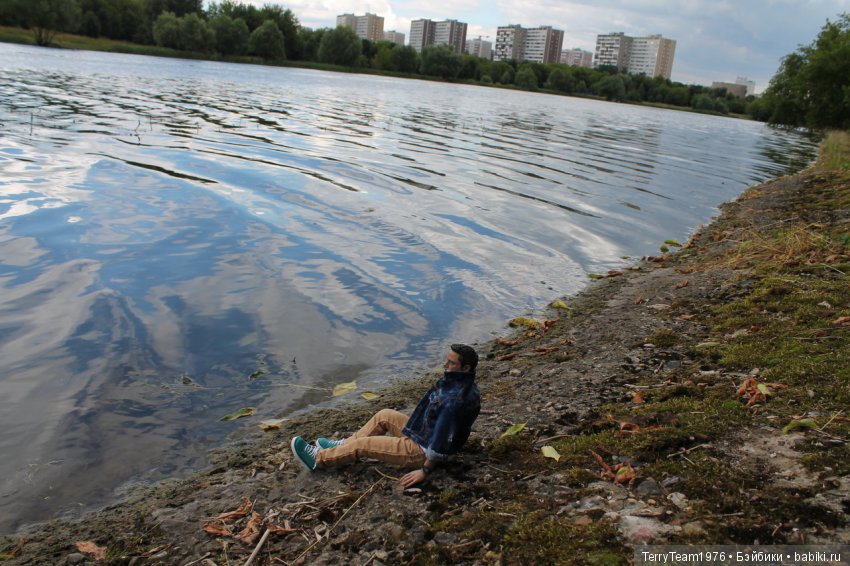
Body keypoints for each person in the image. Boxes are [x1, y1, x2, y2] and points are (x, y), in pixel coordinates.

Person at [290, 343, 480, 488]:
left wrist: (425, 470)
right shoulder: (463, 385)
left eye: (451, 363)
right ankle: (344, 445)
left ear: (466, 368)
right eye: (447, 360)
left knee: (363, 445)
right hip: (423, 434)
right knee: (385, 415)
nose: (445, 365)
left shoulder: (454, 401)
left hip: (420, 451)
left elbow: (442, 440)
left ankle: (319, 460)